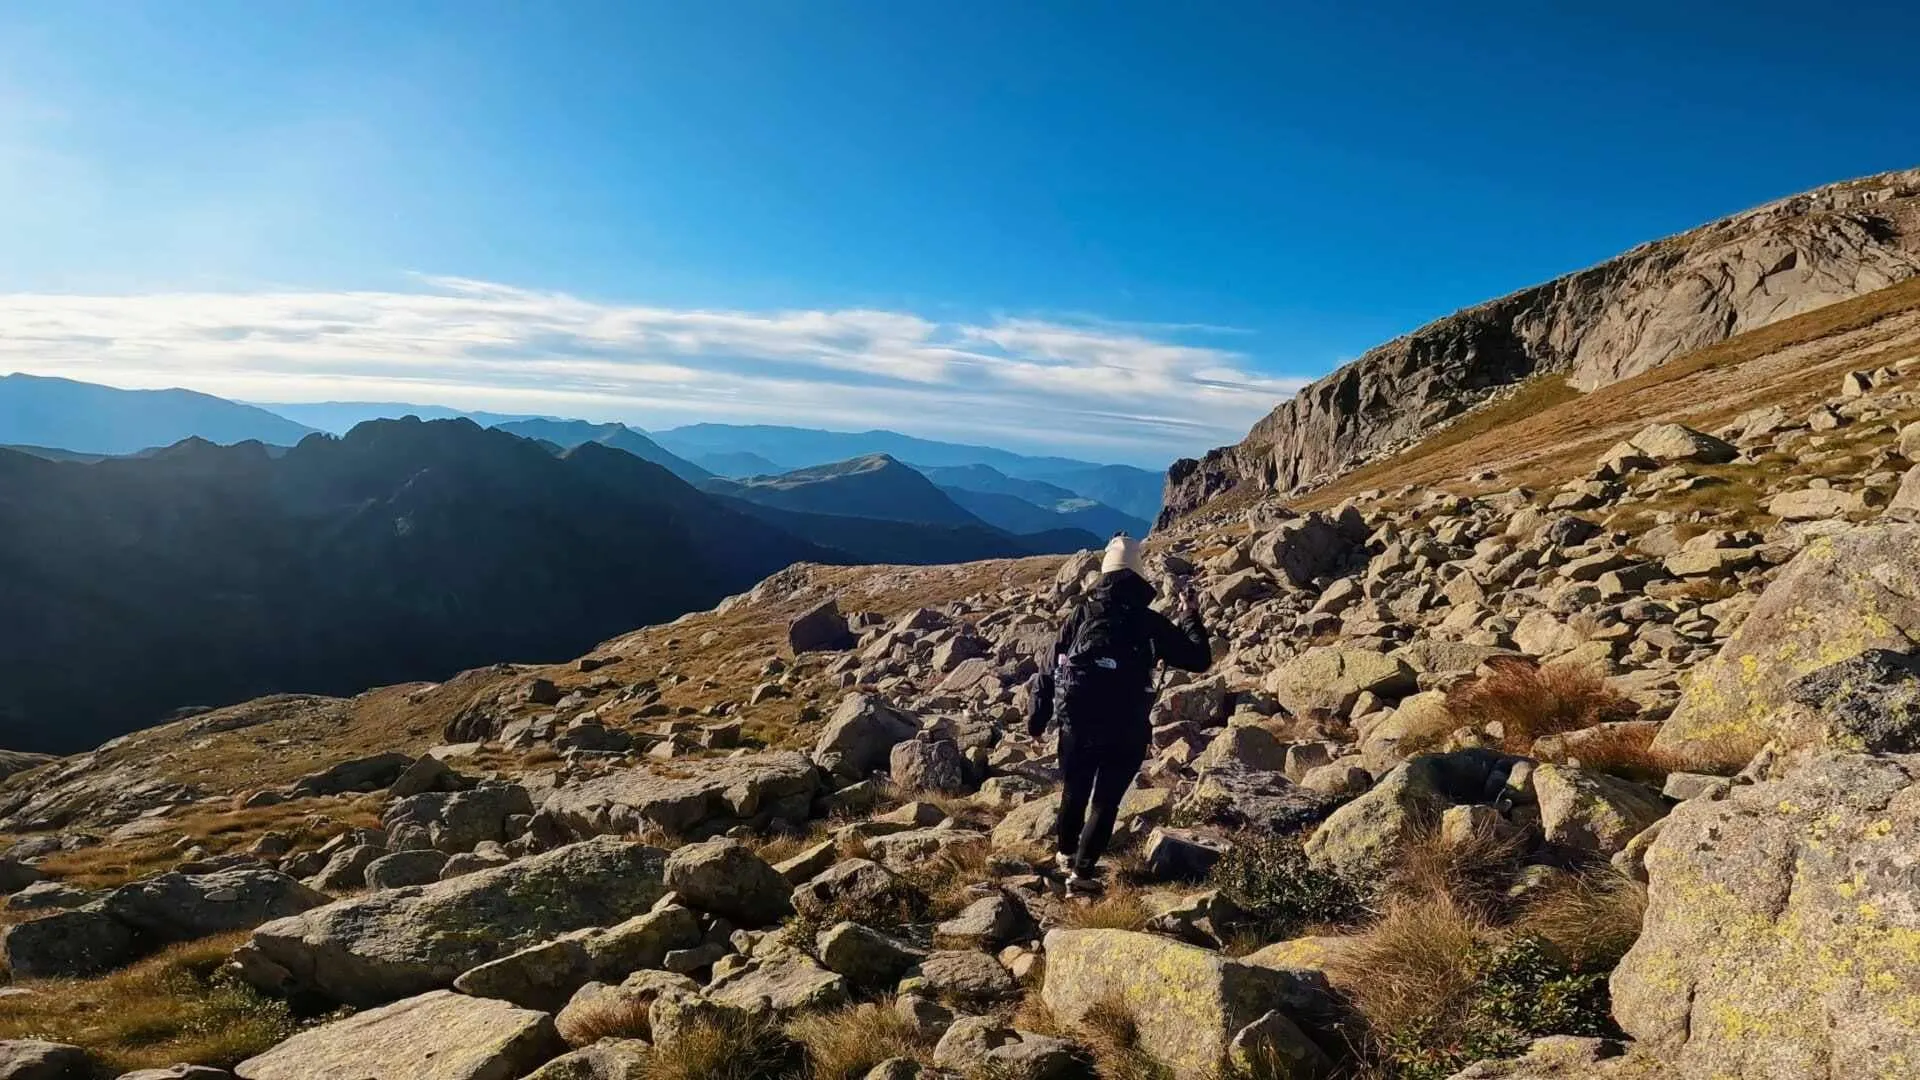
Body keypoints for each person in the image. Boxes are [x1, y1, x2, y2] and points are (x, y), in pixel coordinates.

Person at [1028, 533, 1211, 893]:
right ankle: (1081, 875)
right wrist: (1190, 614)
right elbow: (1199, 660)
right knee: (1106, 801)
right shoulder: (1148, 621)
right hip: (1127, 725)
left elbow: (1049, 667)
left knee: (1074, 792)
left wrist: (1038, 717)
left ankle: (1065, 854)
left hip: (1078, 720)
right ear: (1139, 577)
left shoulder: (1082, 612)